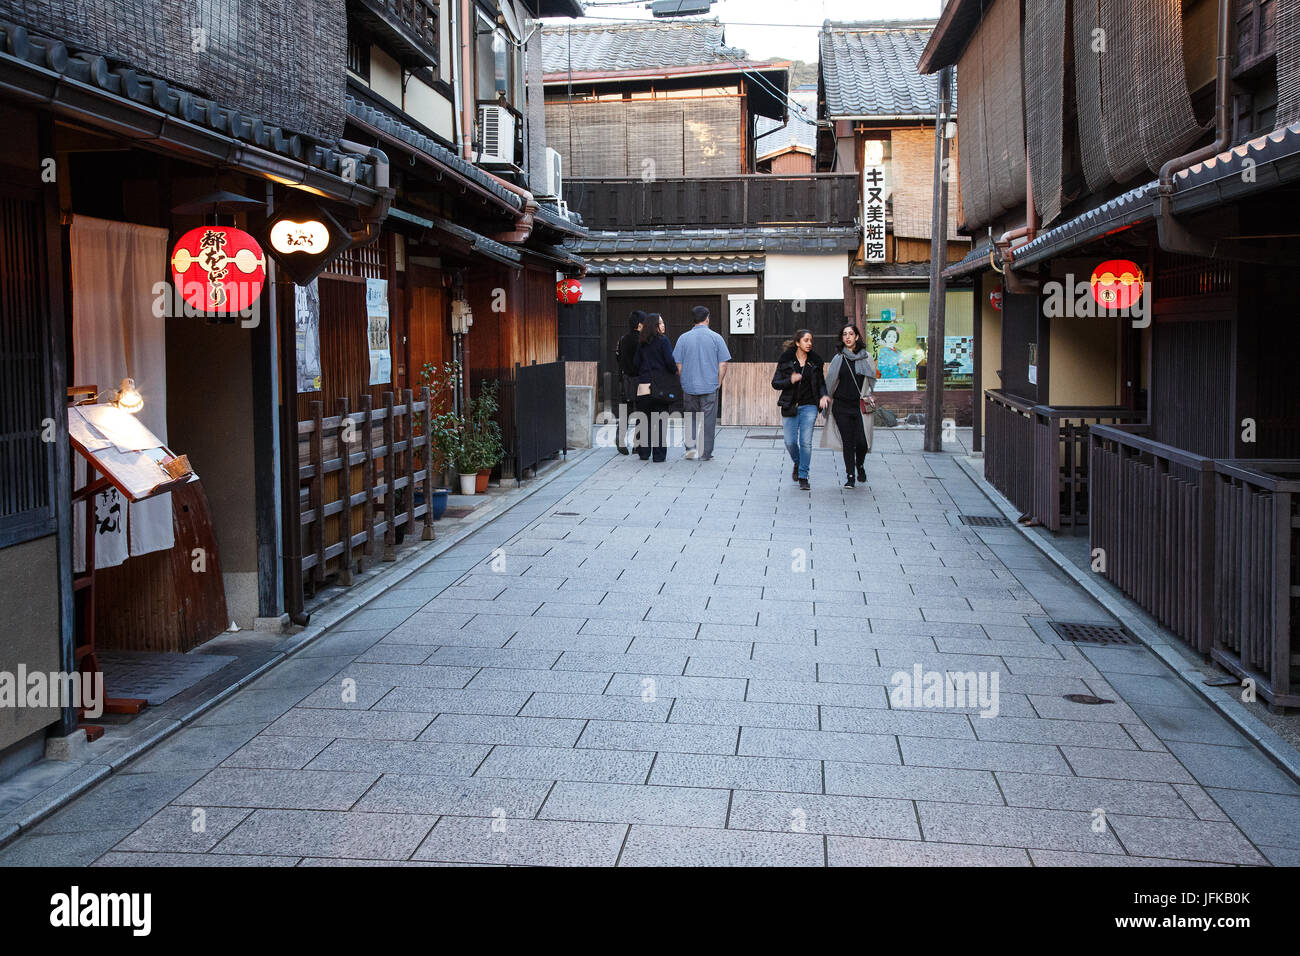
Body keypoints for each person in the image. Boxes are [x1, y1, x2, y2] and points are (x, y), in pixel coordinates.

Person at [771, 329, 829, 490]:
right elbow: (775, 383)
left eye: (811, 340)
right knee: (790, 442)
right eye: (805, 340)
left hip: (809, 406)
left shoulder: (815, 362)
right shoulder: (786, 360)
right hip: (790, 405)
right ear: (797, 343)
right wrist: (790, 379)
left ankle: (803, 475)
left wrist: (824, 395)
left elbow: (821, 383)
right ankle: (798, 462)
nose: (809, 343)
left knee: (806, 442)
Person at [821, 323, 877, 488]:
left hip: (860, 406)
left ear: (857, 337)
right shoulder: (838, 358)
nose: (848, 337)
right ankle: (850, 476)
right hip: (841, 406)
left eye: (851, 334)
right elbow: (830, 381)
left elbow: (872, 381)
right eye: (845, 334)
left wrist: (871, 394)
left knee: (862, 442)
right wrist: (825, 397)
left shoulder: (866, 357)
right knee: (848, 441)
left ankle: (860, 465)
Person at [673, 305, 731, 461]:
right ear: (707, 318)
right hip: (710, 385)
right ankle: (705, 453)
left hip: (689, 386)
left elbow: (678, 364)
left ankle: (690, 450)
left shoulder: (683, 338)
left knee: (690, 418)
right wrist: (718, 382)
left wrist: (684, 380)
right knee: (708, 420)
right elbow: (723, 363)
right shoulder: (716, 337)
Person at [632, 313, 676, 462]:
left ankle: (644, 453)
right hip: (659, 387)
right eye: (661, 323)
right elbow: (670, 362)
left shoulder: (642, 343)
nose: (664, 325)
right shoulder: (664, 341)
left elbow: (636, 364)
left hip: (643, 386)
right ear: (655, 326)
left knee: (644, 420)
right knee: (660, 421)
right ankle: (658, 455)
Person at [613, 310, 645, 455]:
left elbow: (618, 358)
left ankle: (620, 438)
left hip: (625, 379)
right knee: (641, 412)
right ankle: (637, 444)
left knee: (625, 411)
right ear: (639, 325)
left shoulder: (622, 339)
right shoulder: (642, 340)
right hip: (639, 379)